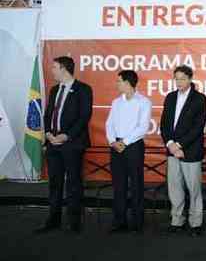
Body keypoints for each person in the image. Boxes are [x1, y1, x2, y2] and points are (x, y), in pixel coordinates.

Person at [35, 56, 93, 234]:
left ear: (64, 69)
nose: (52, 70)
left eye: (54, 67)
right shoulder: (54, 90)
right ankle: (53, 219)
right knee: (54, 183)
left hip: (72, 144)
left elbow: (84, 117)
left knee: (73, 184)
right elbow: (47, 115)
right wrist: (48, 135)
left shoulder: (83, 89)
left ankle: (74, 222)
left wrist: (66, 136)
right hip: (53, 144)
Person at [160, 65, 206, 237]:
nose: (178, 81)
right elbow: (164, 124)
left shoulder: (200, 99)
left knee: (194, 189)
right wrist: (171, 144)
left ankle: (195, 223)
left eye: (182, 78)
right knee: (174, 188)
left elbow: (197, 127)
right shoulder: (170, 97)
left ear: (189, 79)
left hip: (191, 151)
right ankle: (177, 220)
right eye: (176, 78)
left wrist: (180, 145)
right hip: (172, 151)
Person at [105, 70, 151, 234]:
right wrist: (112, 141)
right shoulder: (116, 102)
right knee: (119, 185)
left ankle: (137, 222)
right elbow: (109, 123)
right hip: (116, 146)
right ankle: (119, 221)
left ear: (128, 82)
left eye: (119, 81)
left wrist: (124, 142)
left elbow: (143, 127)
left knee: (136, 184)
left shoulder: (143, 102)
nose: (117, 84)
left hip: (133, 146)